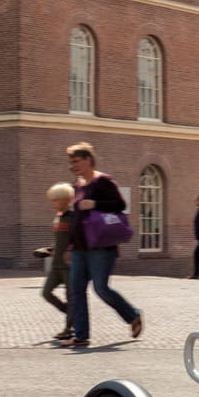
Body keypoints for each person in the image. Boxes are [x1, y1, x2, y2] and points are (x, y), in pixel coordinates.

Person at [64, 142, 145, 349]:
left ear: (88, 160)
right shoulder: (78, 186)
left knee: (101, 288)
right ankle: (81, 336)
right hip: (80, 248)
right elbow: (75, 219)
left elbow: (120, 205)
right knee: (76, 290)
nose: (72, 166)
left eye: (76, 161)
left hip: (101, 246)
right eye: (71, 162)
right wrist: (69, 246)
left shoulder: (104, 182)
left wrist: (95, 204)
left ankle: (133, 315)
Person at [34, 182, 76, 341]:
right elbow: (57, 242)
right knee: (46, 293)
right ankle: (71, 312)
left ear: (66, 200)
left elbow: (77, 239)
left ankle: (68, 329)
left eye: (55, 201)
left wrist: (70, 251)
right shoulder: (57, 219)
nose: (53, 204)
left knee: (71, 297)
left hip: (68, 266)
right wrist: (47, 251)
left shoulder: (72, 219)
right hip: (56, 266)